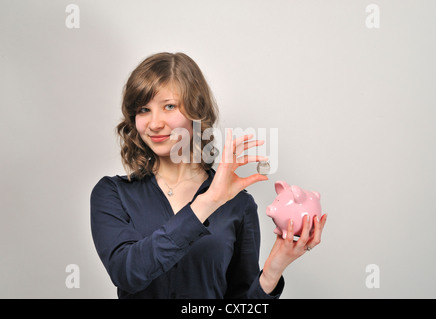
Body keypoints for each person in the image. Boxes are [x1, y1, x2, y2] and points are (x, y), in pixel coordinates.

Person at [90, 52, 327, 299]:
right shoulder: (113, 194)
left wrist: (272, 272)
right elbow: (127, 273)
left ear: (196, 111)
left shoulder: (239, 204)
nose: (154, 123)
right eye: (143, 110)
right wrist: (207, 202)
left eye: (169, 106)